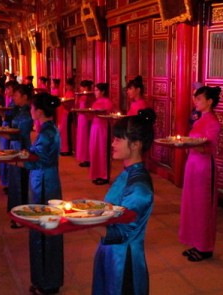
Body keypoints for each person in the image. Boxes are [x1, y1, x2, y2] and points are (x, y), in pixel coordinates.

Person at [92, 108, 156, 295]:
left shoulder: (139, 187)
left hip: (124, 260)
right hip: (111, 253)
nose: (113, 143)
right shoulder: (128, 172)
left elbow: (120, 233)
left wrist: (80, 220)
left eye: (118, 139)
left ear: (136, 145)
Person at [24, 92, 63, 295]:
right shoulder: (49, 129)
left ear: (38, 111)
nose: (31, 111)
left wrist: (18, 157)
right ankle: (48, 279)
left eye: (32, 108)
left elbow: (36, 160)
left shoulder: (47, 133)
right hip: (48, 179)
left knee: (43, 229)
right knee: (47, 228)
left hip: (44, 184)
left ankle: (46, 282)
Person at [179, 86, 222, 262]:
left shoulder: (212, 121)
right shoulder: (199, 120)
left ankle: (205, 247)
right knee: (192, 204)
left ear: (209, 102)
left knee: (204, 207)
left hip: (204, 167)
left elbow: (208, 147)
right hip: (193, 165)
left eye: (199, 99)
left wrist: (188, 144)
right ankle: (195, 242)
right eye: (195, 99)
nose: (195, 102)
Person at [6, 84, 33, 229]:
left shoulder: (27, 113)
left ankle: (22, 214)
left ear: (25, 97)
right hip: (15, 145)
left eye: (16, 95)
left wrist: (3, 133)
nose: (13, 97)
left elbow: (20, 133)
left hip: (21, 146)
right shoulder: (18, 110)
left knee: (22, 180)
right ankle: (16, 211)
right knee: (15, 180)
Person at [89, 82, 113, 185]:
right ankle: (96, 174)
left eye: (97, 90)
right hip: (94, 128)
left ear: (103, 91)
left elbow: (109, 114)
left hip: (103, 129)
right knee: (94, 151)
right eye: (95, 90)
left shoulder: (108, 102)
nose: (95, 92)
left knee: (102, 151)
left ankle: (104, 176)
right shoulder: (95, 102)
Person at [76, 80, 94, 167]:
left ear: (86, 88)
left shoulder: (89, 96)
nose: (80, 88)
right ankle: (83, 157)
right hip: (81, 118)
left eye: (82, 87)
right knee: (81, 138)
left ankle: (87, 158)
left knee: (85, 138)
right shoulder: (81, 96)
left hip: (86, 118)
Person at [59, 77, 75, 156]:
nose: (66, 86)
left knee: (66, 131)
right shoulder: (67, 92)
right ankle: (63, 148)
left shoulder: (72, 93)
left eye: (68, 85)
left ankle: (67, 149)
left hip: (68, 113)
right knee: (62, 131)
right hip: (64, 113)